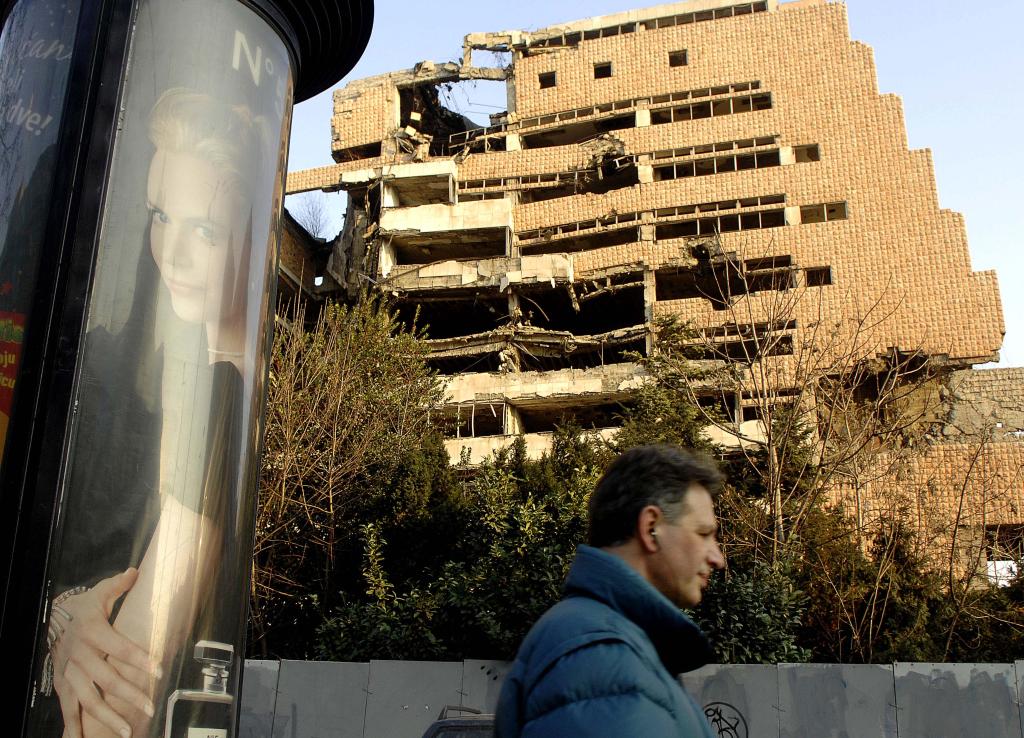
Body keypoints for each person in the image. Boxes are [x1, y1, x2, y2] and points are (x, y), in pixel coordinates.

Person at [37, 88, 271, 738]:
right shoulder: (182, 384)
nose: (172, 252)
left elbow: (115, 704)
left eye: (205, 229)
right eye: (161, 215)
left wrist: (71, 630)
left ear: (254, 240)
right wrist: (63, 617)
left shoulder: (220, 399)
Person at [495, 444, 726, 738]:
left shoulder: (613, 645)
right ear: (651, 528)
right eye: (704, 534)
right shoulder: (600, 655)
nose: (717, 558)